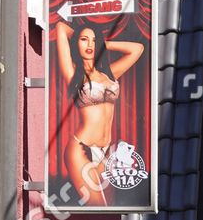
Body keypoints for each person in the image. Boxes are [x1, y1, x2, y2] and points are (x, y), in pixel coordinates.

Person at [54, 17, 144, 205]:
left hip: (106, 151)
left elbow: (137, 49)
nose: (90, 44)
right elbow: (61, 28)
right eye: (84, 39)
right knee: (96, 206)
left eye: (94, 40)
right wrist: (77, 35)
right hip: (81, 149)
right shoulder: (73, 74)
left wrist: (104, 44)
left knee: (108, 209)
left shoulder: (110, 74)